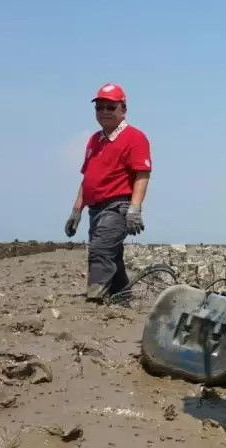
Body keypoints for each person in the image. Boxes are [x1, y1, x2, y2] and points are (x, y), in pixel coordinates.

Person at [64, 83, 152, 303]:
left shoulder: (135, 138)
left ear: (123, 109)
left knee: (100, 250)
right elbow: (88, 178)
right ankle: (122, 298)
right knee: (112, 255)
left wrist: (134, 209)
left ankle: (95, 299)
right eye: (100, 107)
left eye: (110, 107)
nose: (104, 111)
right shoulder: (95, 140)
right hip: (96, 208)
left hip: (117, 206)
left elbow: (142, 175)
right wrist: (76, 211)